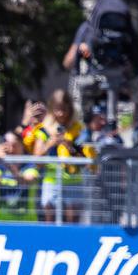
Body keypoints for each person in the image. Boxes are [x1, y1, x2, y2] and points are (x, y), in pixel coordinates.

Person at [66, 0, 138, 148]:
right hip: (96, 77)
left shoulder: (127, 33)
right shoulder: (87, 30)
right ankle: (87, 128)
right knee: (82, 84)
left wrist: (134, 70)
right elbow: (71, 61)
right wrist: (81, 54)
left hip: (121, 77)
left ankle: (137, 129)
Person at [33, 89, 94, 223]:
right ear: (51, 109)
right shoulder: (44, 129)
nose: (61, 114)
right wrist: (50, 144)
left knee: (72, 221)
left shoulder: (78, 129)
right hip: (52, 181)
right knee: (50, 220)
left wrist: (69, 145)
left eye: (64, 109)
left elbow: (86, 159)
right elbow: (37, 159)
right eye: (57, 109)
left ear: (70, 109)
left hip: (74, 181)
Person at [0, 131, 41, 221]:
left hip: (27, 223)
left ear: (22, 145)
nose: (11, 149)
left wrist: (9, 165)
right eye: (7, 145)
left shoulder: (30, 165)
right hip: (1, 222)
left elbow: (26, 181)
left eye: (14, 145)